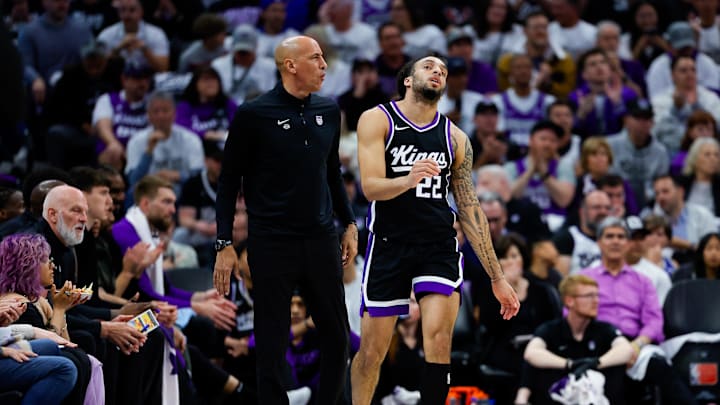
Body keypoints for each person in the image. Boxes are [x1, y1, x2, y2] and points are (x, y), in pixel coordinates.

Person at [351, 55, 520, 405]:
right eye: (429, 66)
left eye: (443, 70)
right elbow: (370, 187)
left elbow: (471, 208)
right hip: (388, 244)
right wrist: (409, 178)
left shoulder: (456, 138)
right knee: (371, 351)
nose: (438, 72)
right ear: (408, 80)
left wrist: (497, 276)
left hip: (437, 246)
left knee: (440, 340)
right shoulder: (377, 119)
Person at [212, 36, 358, 405]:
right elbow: (229, 180)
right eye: (316, 57)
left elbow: (332, 173)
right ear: (290, 65)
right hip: (272, 240)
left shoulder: (329, 110)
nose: (324, 64)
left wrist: (350, 223)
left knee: (337, 335)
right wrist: (224, 242)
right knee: (272, 338)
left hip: (321, 237)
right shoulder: (253, 114)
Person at [579, 216, 698, 405]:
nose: (616, 241)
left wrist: (637, 345)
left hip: (635, 344)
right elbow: (572, 315)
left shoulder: (643, 281)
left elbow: (654, 321)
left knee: (659, 366)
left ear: (627, 243)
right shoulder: (585, 278)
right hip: (596, 343)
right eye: (610, 236)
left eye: (621, 237)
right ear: (599, 242)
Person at [514, 274, 634, 405]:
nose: (596, 301)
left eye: (597, 295)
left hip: (597, 397)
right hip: (558, 396)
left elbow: (626, 350)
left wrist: (595, 363)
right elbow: (531, 353)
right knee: (536, 362)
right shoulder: (551, 329)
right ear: (569, 301)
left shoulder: (604, 329)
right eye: (589, 296)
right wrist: (570, 364)